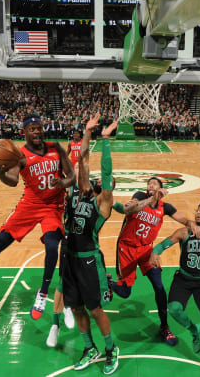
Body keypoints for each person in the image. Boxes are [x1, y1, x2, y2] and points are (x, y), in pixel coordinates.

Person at [0, 116, 75, 323]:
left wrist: (63, 182)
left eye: (39, 128)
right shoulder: (20, 156)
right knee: (1, 241)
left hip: (53, 207)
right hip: (30, 204)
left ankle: (43, 292)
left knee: (51, 247)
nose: (37, 132)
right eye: (32, 129)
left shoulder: (56, 147)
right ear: (24, 133)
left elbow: (72, 176)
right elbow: (12, 181)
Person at [108, 178, 200, 346]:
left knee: (159, 287)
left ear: (161, 189)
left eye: (154, 184)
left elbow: (183, 219)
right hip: (127, 248)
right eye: (149, 183)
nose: (150, 185)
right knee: (124, 293)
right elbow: (130, 208)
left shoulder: (165, 207)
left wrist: (192, 224)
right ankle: (108, 282)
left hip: (146, 251)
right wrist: (151, 199)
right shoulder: (139, 196)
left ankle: (164, 326)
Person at [61, 115, 120, 374]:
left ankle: (110, 349)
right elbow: (81, 159)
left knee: (95, 309)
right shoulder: (77, 190)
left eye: (106, 185)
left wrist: (105, 141)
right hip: (69, 257)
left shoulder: (102, 204)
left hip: (88, 259)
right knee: (75, 306)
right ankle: (89, 347)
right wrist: (87, 132)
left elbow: (106, 173)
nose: (100, 182)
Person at [149, 202, 200, 377]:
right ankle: (194, 330)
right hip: (183, 279)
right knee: (173, 309)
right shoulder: (184, 232)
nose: (198, 213)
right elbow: (161, 245)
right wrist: (155, 253)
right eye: (197, 211)